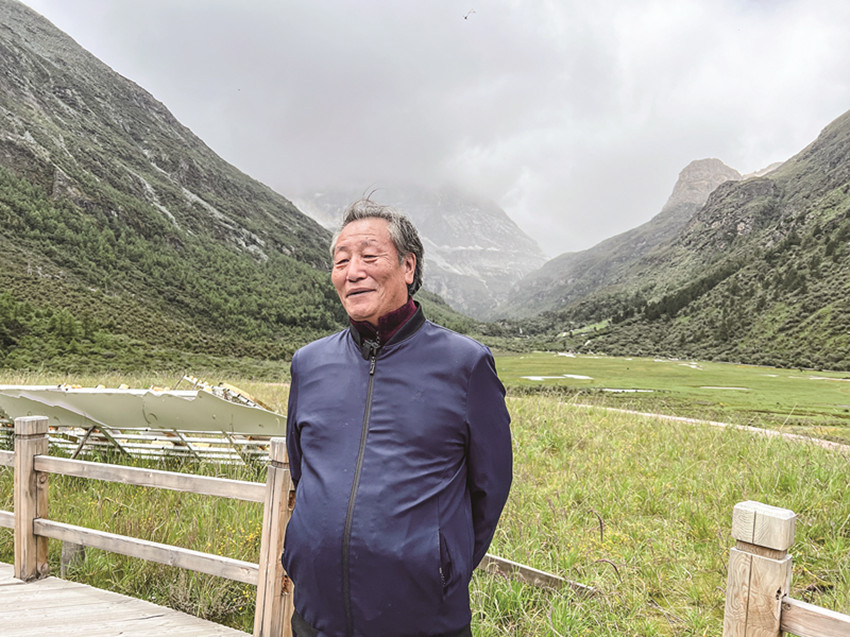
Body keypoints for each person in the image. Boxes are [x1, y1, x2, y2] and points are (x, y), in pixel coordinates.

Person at [282, 198, 513, 637]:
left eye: (370, 257)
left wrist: (438, 565)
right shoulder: (309, 364)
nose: (353, 272)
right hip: (316, 616)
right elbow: (302, 468)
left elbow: (490, 488)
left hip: (422, 621)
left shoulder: (465, 365)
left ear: (408, 266)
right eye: (341, 261)